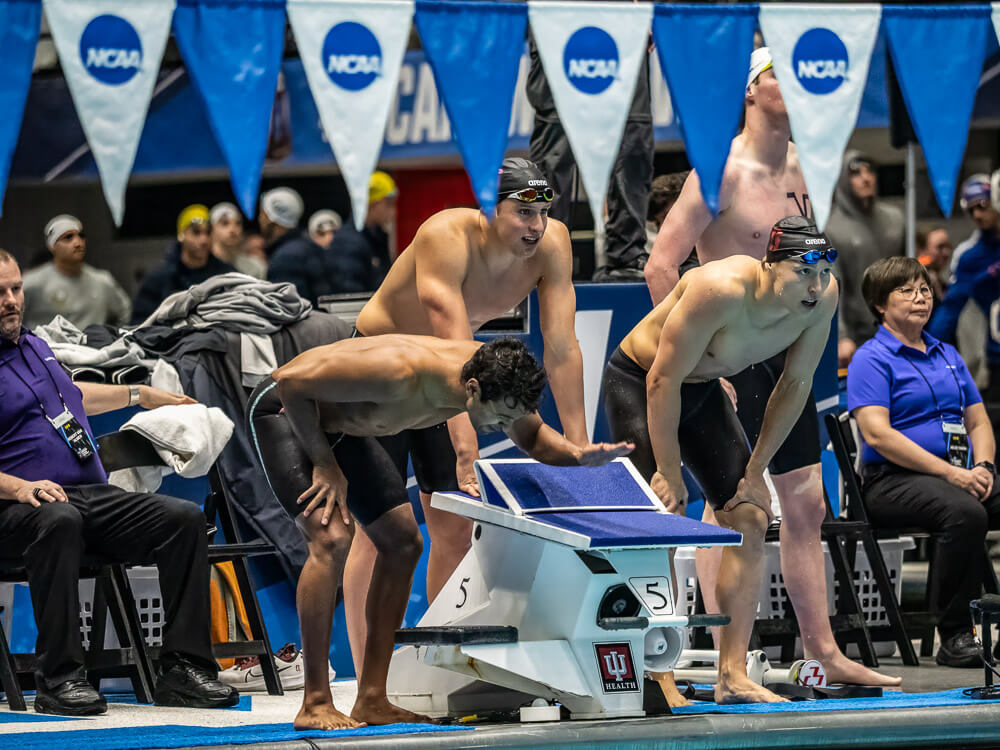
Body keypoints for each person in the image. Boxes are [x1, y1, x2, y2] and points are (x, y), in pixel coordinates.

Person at [644, 47, 900, 690]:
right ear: (751, 91)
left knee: (806, 503)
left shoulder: (804, 165)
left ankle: (822, 650)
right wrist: (701, 360)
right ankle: (731, 652)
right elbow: (660, 265)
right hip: (731, 353)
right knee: (733, 503)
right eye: (782, 73)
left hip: (791, 350)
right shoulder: (719, 170)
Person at [247, 335, 630, 729]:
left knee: (403, 543)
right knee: (331, 540)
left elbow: (532, 437)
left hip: (342, 428)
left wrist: (579, 457)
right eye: (498, 419)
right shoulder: (400, 370)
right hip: (285, 413)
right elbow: (290, 381)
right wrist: (324, 465)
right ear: (472, 389)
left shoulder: (497, 379)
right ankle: (314, 702)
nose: (502, 429)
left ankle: (373, 699)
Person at [350, 157, 588, 672]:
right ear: (488, 206)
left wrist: (580, 445)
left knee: (453, 527)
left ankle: (438, 664)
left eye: (543, 212)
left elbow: (564, 347)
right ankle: (370, 680)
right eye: (523, 211)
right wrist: (465, 451)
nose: (536, 226)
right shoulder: (444, 235)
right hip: (382, 368)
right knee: (378, 531)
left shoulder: (553, 245)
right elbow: (455, 350)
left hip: (445, 377)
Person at [603, 217, 837, 703]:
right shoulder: (720, 288)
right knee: (661, 522)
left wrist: (755, 473)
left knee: (750, 516)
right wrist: (668, 472)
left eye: (823, 272)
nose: (815, 286)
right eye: (803, 272)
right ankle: (657, 674)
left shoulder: (823, 298)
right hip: (641, 381)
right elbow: (661, 381)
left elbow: (795, 385)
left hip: (701, 390)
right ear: (770, 265)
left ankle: (732, 675)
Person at [0, 250, 239, 715]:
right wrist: (19, 488)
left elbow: (72, 396)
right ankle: (60, 681)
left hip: (84, 496)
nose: (11, 301)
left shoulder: (33, 345)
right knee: (58, 519)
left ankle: (183, 671)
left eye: (15, 289)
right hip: (16, 508)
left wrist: (139, 394)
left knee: (182, 519)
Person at [849, 256, 1000, 667]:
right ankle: (954, 636)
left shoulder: (945, 353)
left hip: (961, 474)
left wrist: (983, 467)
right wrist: (954, 473)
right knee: (965, 512)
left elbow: (978, 420)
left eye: (925, 290)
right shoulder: (872, 357)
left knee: (974, 500)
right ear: (880, 303)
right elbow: (878, 434)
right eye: (907, 291)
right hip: (891, 481)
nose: (921, 298)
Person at [527, 37, 653, 282]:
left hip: (624, 21)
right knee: (555, 146)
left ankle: (626, 256)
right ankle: (544, 252)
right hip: (556, 18)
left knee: (632, 140)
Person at [929, 174, 1000, 443]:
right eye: (971, 210)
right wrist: (930, 352)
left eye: (982, 205)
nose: (978, 215)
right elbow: (950, 309)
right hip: (996, 359)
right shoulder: (970, 256)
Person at [825, 151, 905, 366]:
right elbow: (832, 285)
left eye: (869, 170)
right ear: (843, 179)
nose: (866, 177)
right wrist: (841, 336)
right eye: (856, 173)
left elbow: (909, 275)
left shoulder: (895, 220)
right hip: (856, 335)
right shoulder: (831, 228)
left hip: (897, 327)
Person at [22, 215, 131, 330]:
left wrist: (113, 340)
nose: (78, 243)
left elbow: (125, 313)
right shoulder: (31, 283)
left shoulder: (102, 282)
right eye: (68, 237)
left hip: (92, 346)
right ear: (52, 246)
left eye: (81, 236)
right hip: (46, 347)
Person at [132, 205, 235, 324]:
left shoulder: (225, 275)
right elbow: (140, 324)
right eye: (196, 232)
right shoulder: (159, 279)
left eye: (208, 233)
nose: (204, 240)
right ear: (182, 235)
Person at [324, 172, 398, 293]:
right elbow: (349, 295)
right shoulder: (348, 242)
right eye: (389, 204)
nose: (393, 211)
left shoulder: (377, 237)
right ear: (373, 203)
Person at [210, 202, 266, 279]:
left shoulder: (255, 267)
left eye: (238, 223)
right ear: (211, 229)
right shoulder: (199, 264)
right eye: (225, 223)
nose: (233, 229)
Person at [917, 227, 953, 302]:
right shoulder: (916, 278)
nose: (947, 252)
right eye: (940, 247)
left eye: (948, 246)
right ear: (922, 249)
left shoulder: (939, 281)